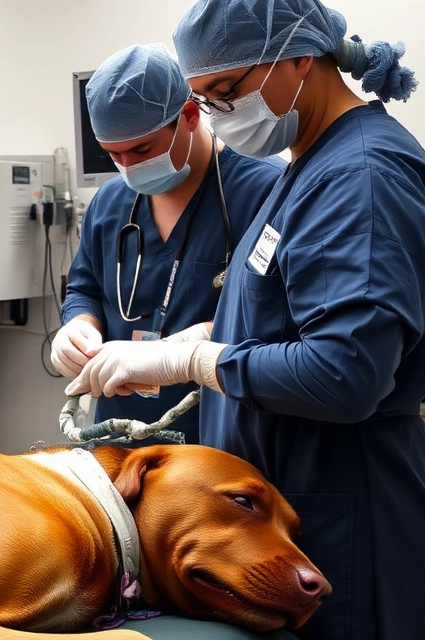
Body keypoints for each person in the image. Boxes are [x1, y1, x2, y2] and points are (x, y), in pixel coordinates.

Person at [66, 0, 425, 640]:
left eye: (220, 94)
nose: (212, 112)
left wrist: (198, 363)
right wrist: (196, 344)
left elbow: (343, 371)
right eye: (202, 97)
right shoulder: (314, 164)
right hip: (307, 501)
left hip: (353, 515)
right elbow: (294, 316)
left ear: (297, 60)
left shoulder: (362, 175)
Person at [53, 44, 283, 443]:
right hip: (116, 438)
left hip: (221, 436)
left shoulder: (265, 190)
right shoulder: (110, 203)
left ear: (190, 116)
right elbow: (84, 288)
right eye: (114, 155)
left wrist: (188, 347)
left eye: (142, 149)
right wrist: (78, 325)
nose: (129, 166)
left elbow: (284, 316)